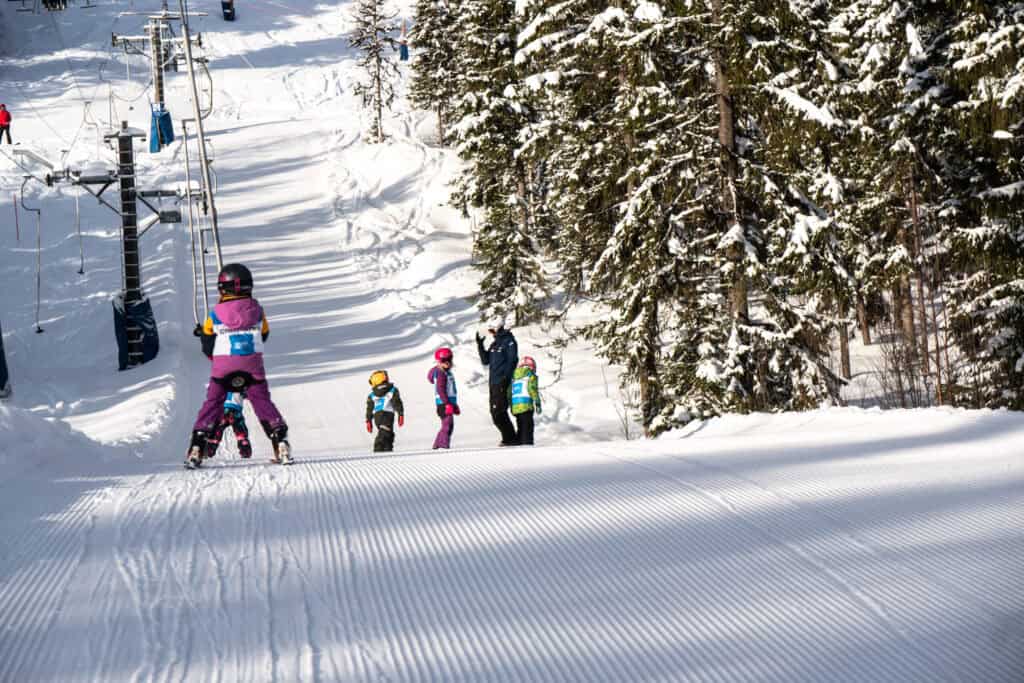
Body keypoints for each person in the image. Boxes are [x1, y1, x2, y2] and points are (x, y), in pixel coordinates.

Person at [188, 263, 290, 467]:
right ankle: (279, 439)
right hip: (252, 365)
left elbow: (208, 343)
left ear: (221, 288)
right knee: (262, 401)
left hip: (223, 366)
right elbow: (264, 334)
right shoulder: (257, 310)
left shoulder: (215, 313)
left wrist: (213, 356)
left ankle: (198, 444)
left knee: (213, 402)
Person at [475, 315, 518, 446]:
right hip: (493, 382)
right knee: (495, 413)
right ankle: (510, 438)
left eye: (492, 330)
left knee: (499, 411)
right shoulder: (495, 343)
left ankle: (510, 439)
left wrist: (506, 378)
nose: (491, 333)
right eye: (490, 331)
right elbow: (485, 360)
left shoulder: (509, 341)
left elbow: (512, 361)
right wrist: (480, 345)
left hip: (502, 381)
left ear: (499, 328)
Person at [205, 390, 253, 459]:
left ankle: (209, 450)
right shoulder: (240, 385)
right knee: (240, 431)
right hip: (235, 411)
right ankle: (245, 450)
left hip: (223, 410)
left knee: (217, 430)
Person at [366, 369, 404, 452]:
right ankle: (378, 449)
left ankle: (387, 449)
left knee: (388, 433)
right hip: (387, 415)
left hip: (377, 417)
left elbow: (369, 409)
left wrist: (368, 420)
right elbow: (397, 403)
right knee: (384, 433)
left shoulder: (372, 395)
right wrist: (400, 414)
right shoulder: (392, 390)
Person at [428, 347, 459, 449]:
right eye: (444, 360)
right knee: (447, 425)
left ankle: (437, 445)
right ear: (438, 361)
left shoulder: (447, 372)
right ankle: (443, 446)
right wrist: (447, 404)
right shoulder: (441, 373)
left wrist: (454, 405)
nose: (447, 363)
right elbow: (441, 390)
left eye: (449, 360)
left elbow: (451, 390)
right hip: (443, 404)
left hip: (448, 403)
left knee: (447, 425)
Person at [509, 356, 542, 446]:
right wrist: (537, 402)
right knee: (528, 429)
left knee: (520, 428)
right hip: (526, 405)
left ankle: (519, 446)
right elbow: (532, 389)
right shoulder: (530, 375)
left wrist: (511, 406)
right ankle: (527, 448)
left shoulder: (514, 377)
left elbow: (510, 393)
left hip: (516, 407)